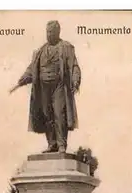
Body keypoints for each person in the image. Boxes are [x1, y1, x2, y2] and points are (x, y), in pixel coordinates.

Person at [9, 20, 81, 153]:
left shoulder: (65, 47)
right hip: (43, 88)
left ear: (57, 32)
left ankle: (61, 145)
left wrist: (75, 81)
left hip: (59, 86)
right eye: (47, 32)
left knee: (59, 114)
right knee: (47, 115)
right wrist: (21, 81)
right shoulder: (40, 51)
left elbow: (74, 66)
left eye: (51, 32)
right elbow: (31, 70)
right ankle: (52, 143)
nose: (48, 35)